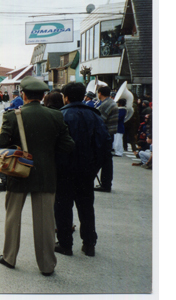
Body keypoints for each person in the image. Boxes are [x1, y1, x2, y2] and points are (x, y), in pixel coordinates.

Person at [0, 76, 74, 276]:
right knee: (45, 221)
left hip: (18, 171)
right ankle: (47, 265)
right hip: (46, 174)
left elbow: (0, 143)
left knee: (13, 216)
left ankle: (9, 257)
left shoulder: (13, 116)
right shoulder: (56, 116)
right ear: (43, 96)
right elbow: (68, 146)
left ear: (23, 94)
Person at [54, 82, 112, 258]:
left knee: (63, 207)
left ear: (66, 97)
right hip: (87, 171)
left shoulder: (61, 116)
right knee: (86, 207)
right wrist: (95, 166)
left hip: (64, 171)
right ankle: (89, 243)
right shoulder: (95, 116)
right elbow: (105, 144)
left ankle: (65, 244)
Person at [94, 85, 118, 192]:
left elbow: (100, 120)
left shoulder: (106, 104)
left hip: (104, 135)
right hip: (109, 134)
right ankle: (106, 183)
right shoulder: (111, 102)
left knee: (102, 160)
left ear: (100, 93)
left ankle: (105, 183)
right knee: (106, 160)